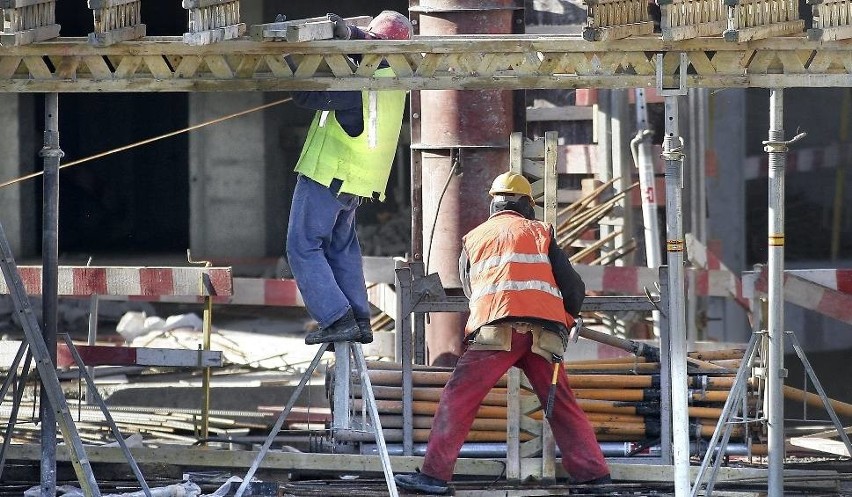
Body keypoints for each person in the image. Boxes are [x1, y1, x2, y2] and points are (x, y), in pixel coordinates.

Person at [394, 172, 612, 494]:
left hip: (494, 332)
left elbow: (472, 290)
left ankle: (434, 476)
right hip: (542, 335)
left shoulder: (474, 237)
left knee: (459, 398)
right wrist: (563, 318)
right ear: (526, 204)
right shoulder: (541, 232)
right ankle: (595, 477)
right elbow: (574, 288)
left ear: (494, 203)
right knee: (561, 403)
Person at [286, 11, 413, 346]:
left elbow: (303, 95)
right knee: (342, 248)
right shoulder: (392, 83)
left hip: (329, 173)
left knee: (303, 245)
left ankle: (335, 317)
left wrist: (285, 58)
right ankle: (358, 317)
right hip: (356, 181)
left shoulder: (362, 85)